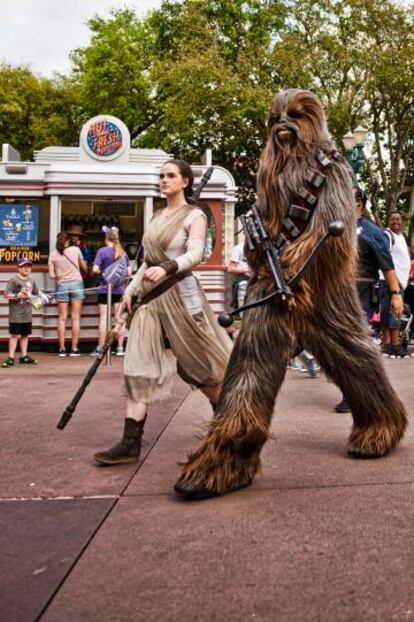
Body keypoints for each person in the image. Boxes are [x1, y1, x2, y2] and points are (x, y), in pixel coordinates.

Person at [94, 159, 233, 465]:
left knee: (199, 367)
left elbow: (196, 254)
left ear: (185, 181)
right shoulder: (157, 217)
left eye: (170, 175)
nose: (164, 180)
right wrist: (129, 292)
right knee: (138, 365)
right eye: (161, 176)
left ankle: (230, 426)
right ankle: (130, 444)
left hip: (181, 296)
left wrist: (168, 267)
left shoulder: (195, 215)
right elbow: (146, 261)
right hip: (150, 299)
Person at [334, 187, 404, 412]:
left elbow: (387, 265)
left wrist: (395, 295)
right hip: (339, 293)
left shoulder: (372, 232)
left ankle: (355, 395)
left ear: (359, 204)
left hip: (361, 293)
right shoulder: (337, 228)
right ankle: (356, 391)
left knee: (353, 344)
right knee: (341, 345)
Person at [90, 227, 131, 356]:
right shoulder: (123, 253)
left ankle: (101, 347)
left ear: (106, 238)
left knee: (103, 319)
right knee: (119, 319)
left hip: (104, 289)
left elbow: (95, 269)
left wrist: (102, 272)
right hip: (119, 290)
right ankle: (119, 348)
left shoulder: (102, 251)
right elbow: (129, 272)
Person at [48, 231, 87, 357]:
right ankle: (74, 349)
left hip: (62, 285)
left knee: (62, 317)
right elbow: (84, 267)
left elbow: (51, 275)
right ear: (68, 241)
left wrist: (60, 276)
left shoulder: (53, 255)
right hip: (77, 284)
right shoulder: (76, 250)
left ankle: (62, 349)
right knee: (75, 317)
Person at [378, 212, 411, 358]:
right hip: (392, 281)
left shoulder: (401, 237)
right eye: (393, 219)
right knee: (394, 313)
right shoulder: (387, 235)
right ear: (388, 221)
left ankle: (387, 345)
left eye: (398, 219)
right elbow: (385, 257)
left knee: (389, 312)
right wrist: (394, 280)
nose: (396, 222)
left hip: (401, 281)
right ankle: (395, 347)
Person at [2, 259, 39, 368]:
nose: (27, 268)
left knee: (25, 335)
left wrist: (47, 298)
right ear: (18, 268)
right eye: (23, 266)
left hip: (27, 314)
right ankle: (11, 357)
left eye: (29, 266)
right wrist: (17, 295)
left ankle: (24, 356)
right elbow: (6, 295)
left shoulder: (32, 281)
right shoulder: (14, 280)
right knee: (14, 335)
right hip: (16, 315)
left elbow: (36, 294)